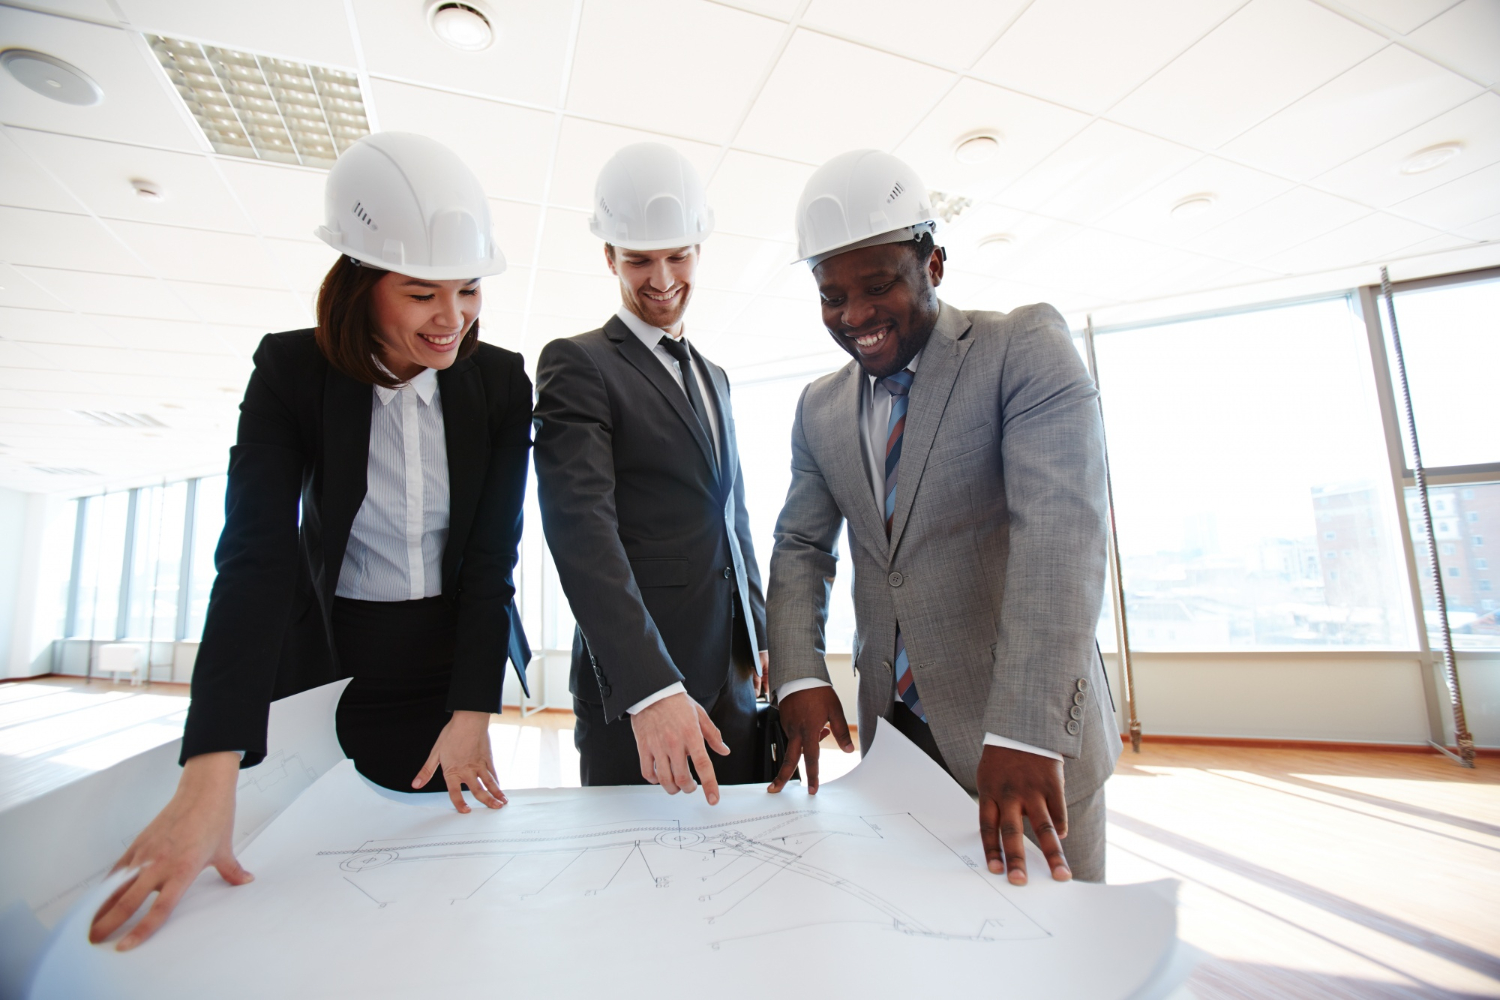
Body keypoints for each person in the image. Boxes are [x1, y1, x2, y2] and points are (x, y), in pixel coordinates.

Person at [89, 133, 533, 950]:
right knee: (303, 887)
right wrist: (211, 768)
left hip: (445, 660)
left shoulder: (501, 382)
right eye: (420, 293)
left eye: (469, 290)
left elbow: (490, 561)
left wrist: (473, 708)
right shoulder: (291, 373)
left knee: (426, 897)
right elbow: (255, 557)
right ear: (362, 288)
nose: (452, 320)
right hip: (327, 658)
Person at [766, 149, 1119, 884]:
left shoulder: (1021, 349)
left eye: (879, 284)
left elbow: (1060, 536)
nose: (855, 315)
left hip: (1023, 747)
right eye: (833, 296)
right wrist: (799, 675)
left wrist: (1026, 725)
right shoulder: (819, 409)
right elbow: (802, 545)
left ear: (935, 264)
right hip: (896, 753)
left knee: (1058, 967)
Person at [533, 143, 767, 804]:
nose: (661, 277)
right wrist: (650, 685)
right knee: (641, 885)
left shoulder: (714, 376)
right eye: (639, 259)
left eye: (677, 256)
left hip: (735, 680)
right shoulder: (578, 364)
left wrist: (761, 632)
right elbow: (582, 530)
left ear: (699, 248)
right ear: (608, 256)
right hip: (642, 692)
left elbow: (732, 515)